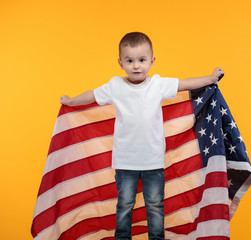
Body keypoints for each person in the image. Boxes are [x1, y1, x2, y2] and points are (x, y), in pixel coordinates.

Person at [60, 32, 224, 240]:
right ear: (121, 63)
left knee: (155, 205)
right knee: (125, 204)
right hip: (125, 161)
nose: (136, 66)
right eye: (130, 61)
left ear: (152, 61)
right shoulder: (115, 86)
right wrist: (71, 101)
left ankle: (156, 238)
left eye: (141, 60)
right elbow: (92, 94)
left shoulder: (157, 84)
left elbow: (184, 84)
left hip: (153, 161)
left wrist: (210, 78)